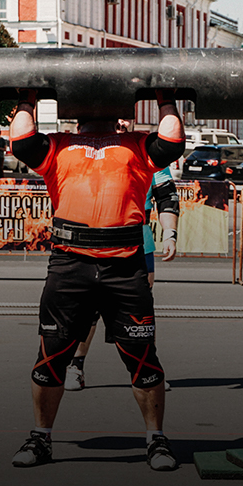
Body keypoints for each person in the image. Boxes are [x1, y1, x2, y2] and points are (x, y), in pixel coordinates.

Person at [8, 88, 184, 471]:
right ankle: (41, 438)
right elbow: (21, 140)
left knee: (142, 358)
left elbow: (171, 138)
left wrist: (166, 96)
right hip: (71, 266)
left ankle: (156, 440)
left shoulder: (138, 145)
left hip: (125, 269)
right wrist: (27, 97)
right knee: (51, 356)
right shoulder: (57, 145)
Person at [64, 119, 180, 393]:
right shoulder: (85, 149)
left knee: (140, 312)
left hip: (139, 243)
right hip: (92, 243)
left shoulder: (148, 150)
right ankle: (75, 367)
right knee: (89, 310)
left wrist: (170, 233)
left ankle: (148, 369)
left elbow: (166, 194)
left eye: (125, 119)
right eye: (115, 121)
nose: (122, 125)